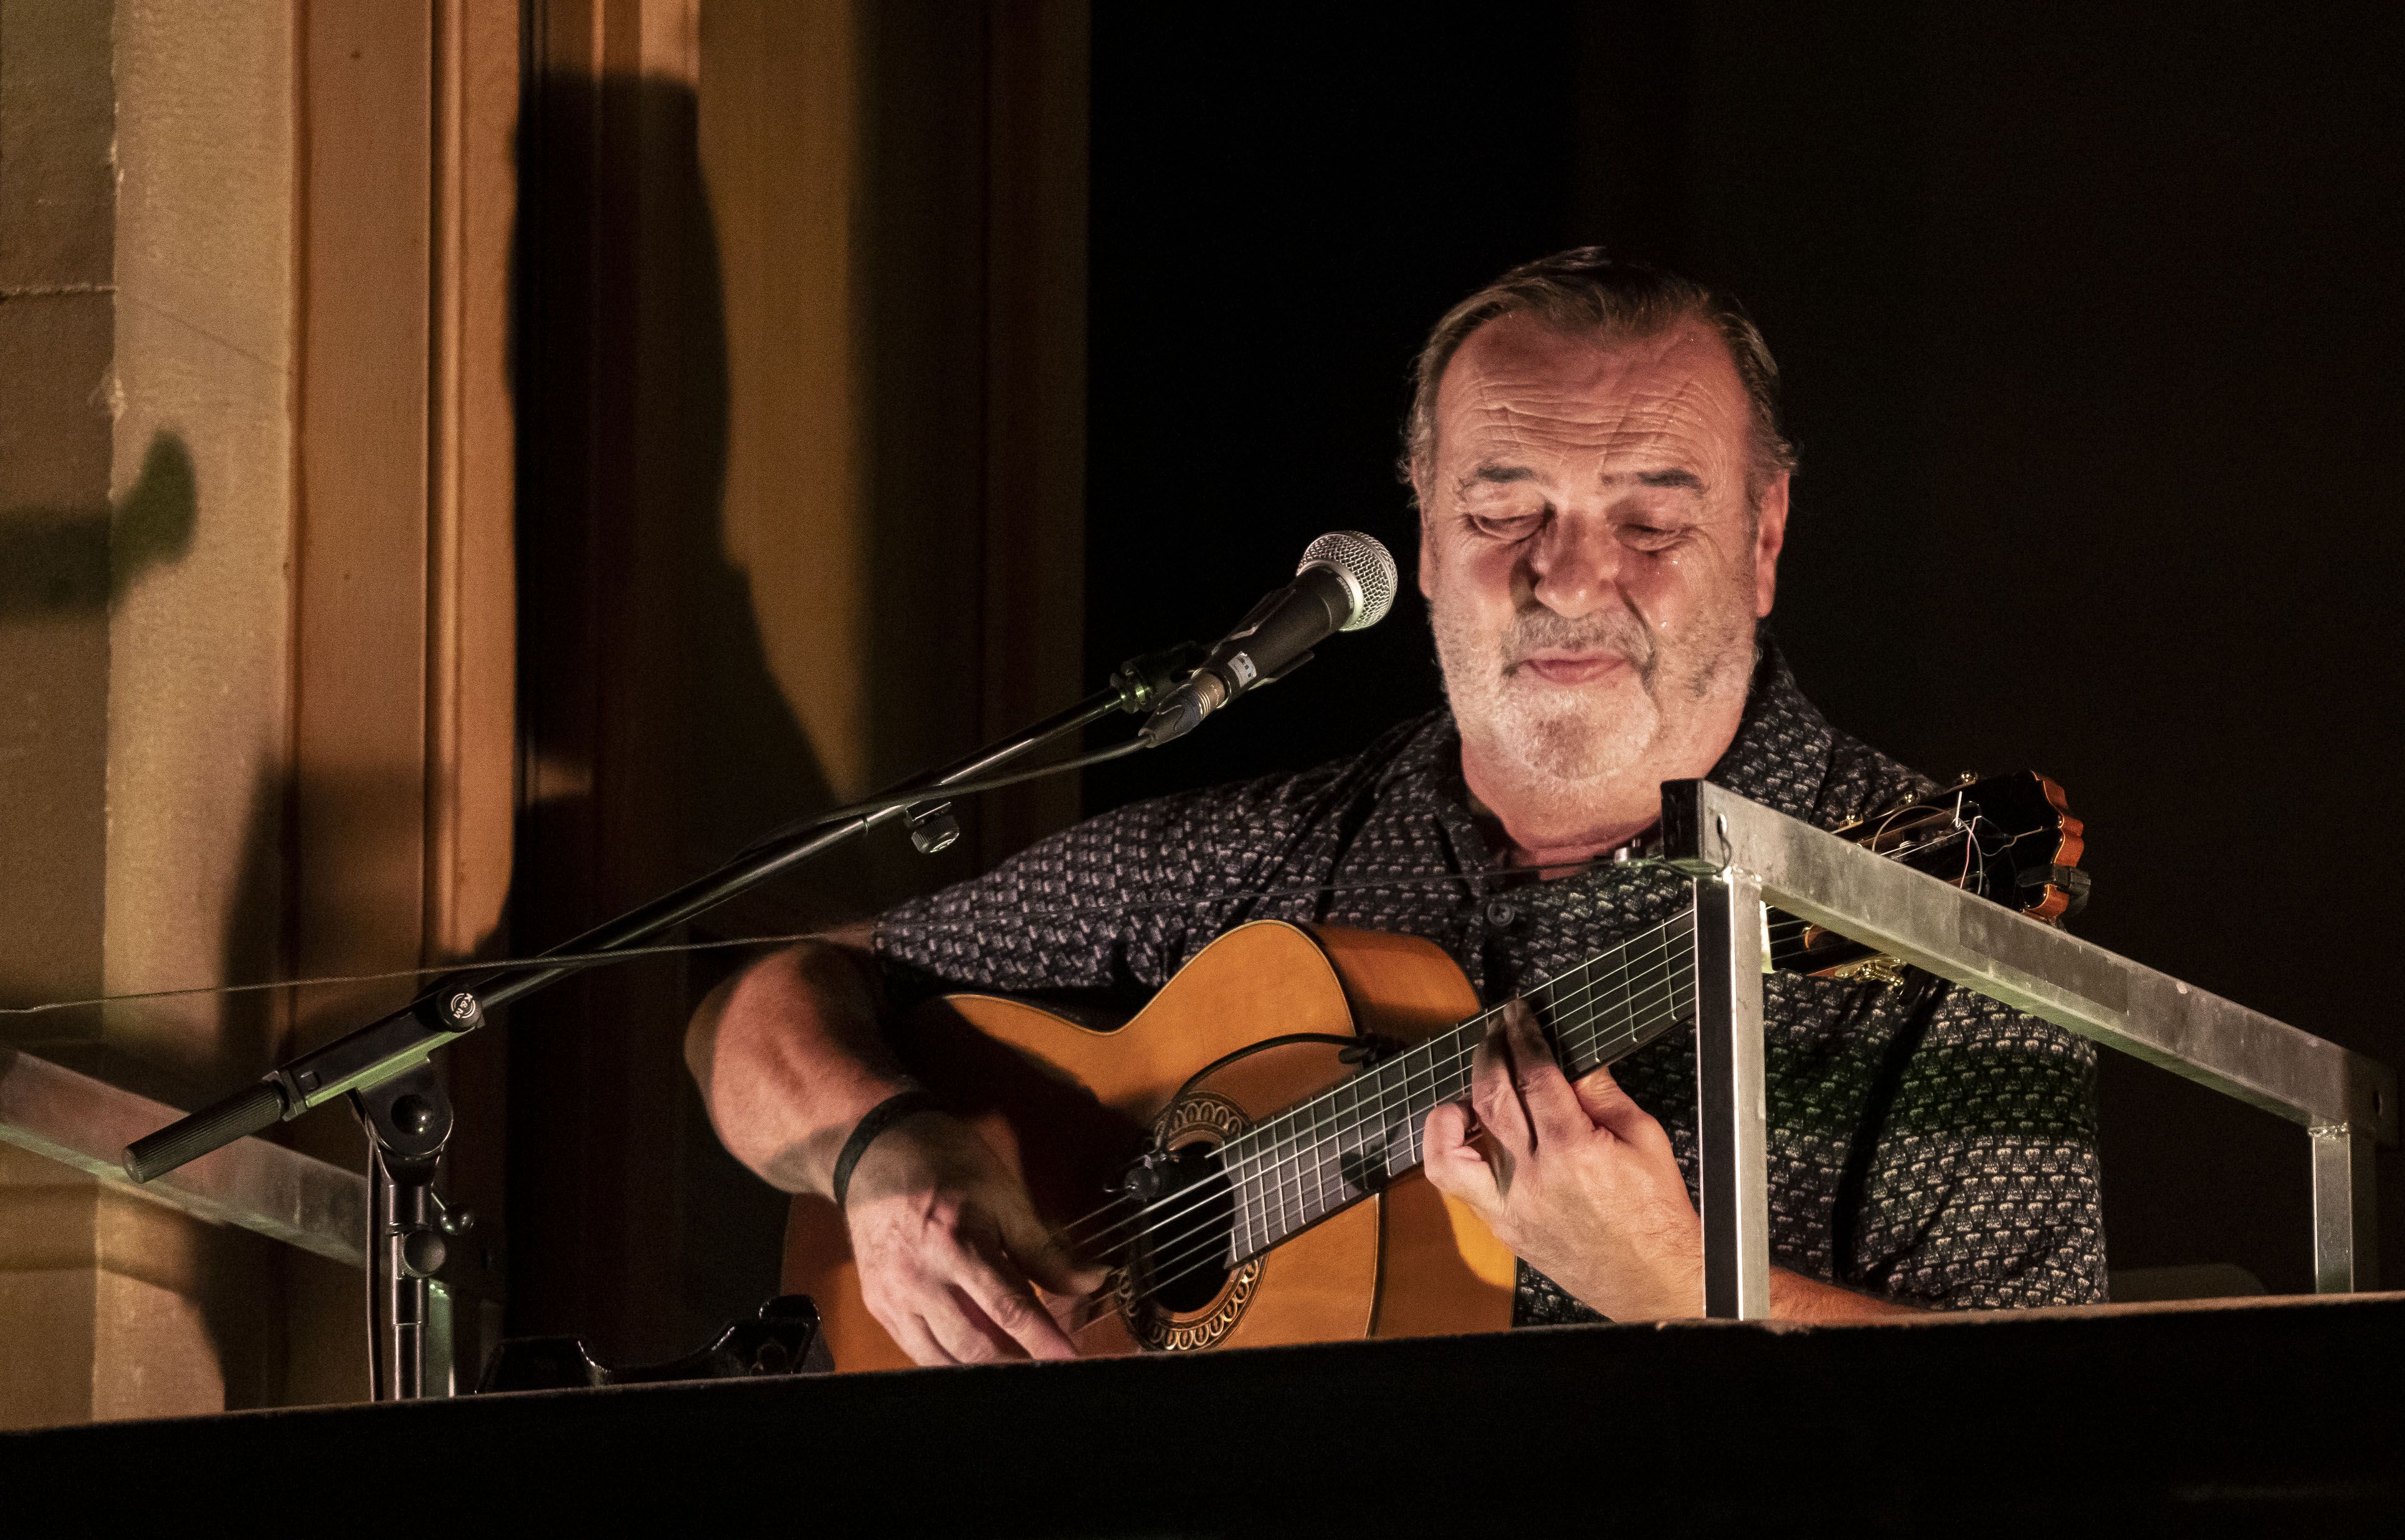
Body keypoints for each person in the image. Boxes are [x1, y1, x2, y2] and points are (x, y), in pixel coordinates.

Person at [684, 249, 2107, 1366]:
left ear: (1763, 537)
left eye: (1649, 517)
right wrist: (880, 1146)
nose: (1566, 573)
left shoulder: (1930, 914)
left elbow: (2053, 1436)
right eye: (1503, 509)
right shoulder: (1256, 859)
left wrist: (1683, 1293)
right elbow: (765, 1004)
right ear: (1421, 535)